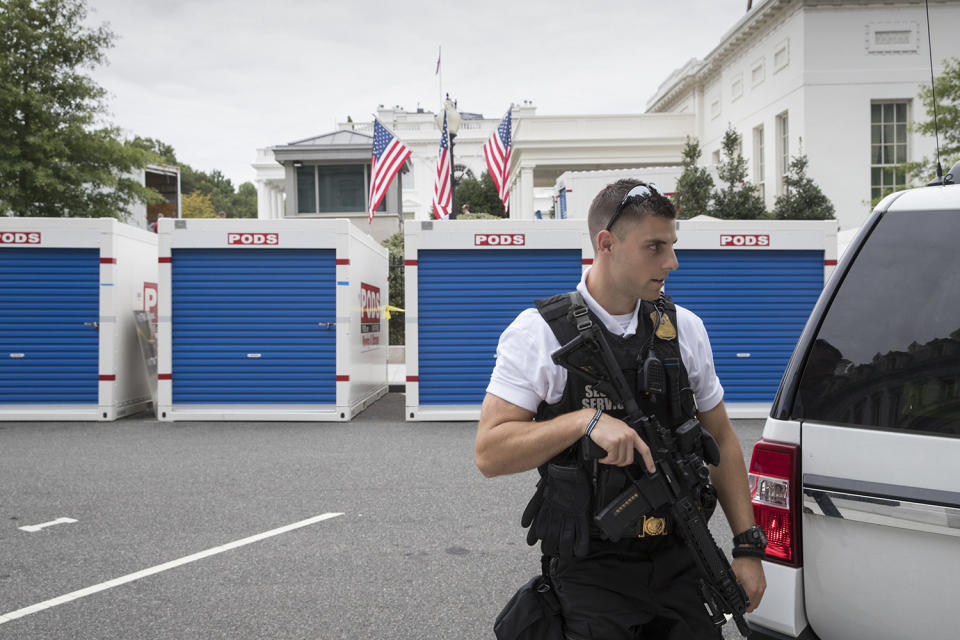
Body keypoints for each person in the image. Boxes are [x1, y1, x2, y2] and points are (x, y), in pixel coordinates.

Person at [475, 179, 766, 639]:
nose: (671, 261)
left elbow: (723, 440)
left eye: (672, 245)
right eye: (655, 246)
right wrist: (582, 421)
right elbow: (489, 452)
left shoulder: (683, 329)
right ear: (605, 243)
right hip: (593, 573)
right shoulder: (539, 334)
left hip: (681, 558)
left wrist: (748, 548)